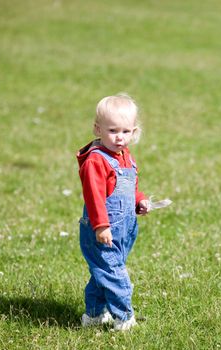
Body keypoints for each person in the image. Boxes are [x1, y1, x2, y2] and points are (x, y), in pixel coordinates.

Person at [76, 93, 150, 331]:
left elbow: (130, 188)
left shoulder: (125, 156)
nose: (120, 137)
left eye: (126, 132)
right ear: (98, 129)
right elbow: (94, 197)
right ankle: (124, 318)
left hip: (125, 229)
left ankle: (94, 315)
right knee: (115, 274)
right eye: (113, 131)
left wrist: (139, 201)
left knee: (104, 273)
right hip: (103, 229)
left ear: (134, 131)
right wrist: (101, 225)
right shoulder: (96, 161)